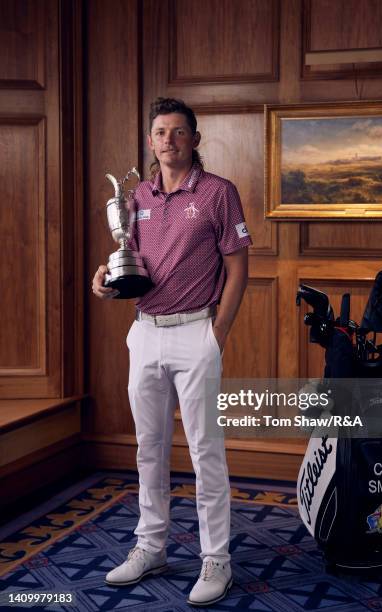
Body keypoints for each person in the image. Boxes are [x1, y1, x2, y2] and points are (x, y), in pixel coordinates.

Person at [92, 97, 252, 606]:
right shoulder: (137, 195)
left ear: (195, 140)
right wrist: (106, 277)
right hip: (145, 333)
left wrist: (218, 333)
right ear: (151, 141)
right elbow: (130, 260)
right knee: (149, 449)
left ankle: (216, 561)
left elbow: (238, 268)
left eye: (179, 132)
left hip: (197, 333)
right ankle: (151, 546)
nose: (169, 140)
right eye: (160, 132)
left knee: (206, 452)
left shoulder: (218, 194)